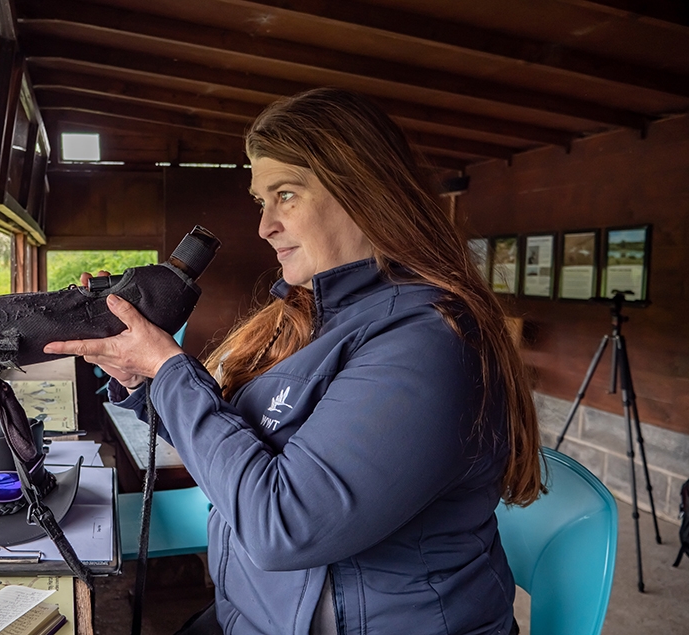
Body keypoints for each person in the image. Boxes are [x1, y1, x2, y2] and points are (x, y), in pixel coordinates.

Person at [43, 88, 543, 635]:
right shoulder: (316, 315)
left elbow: (284, 526)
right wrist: (144, 380)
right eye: (262, 200)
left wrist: (169, 371)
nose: (264, 226)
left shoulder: (429, 341)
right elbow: (239, 447)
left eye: (286, 194)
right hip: (256, 615)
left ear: (364, 193)